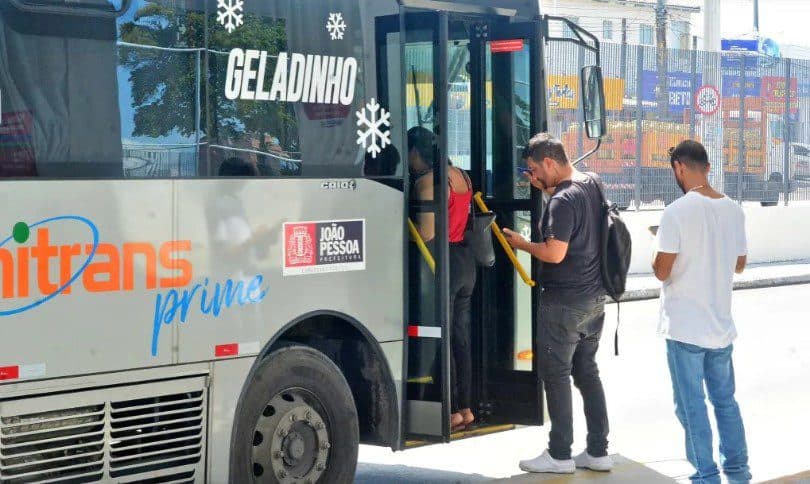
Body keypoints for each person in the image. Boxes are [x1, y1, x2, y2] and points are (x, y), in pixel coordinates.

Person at [503, 133, 612, 474]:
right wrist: (546, 189)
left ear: (549, 162)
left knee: (557, 374)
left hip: (564, 301)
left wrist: (522, 243)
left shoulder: (562, 201)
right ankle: (597, 450)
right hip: (595, 299)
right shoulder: (591, 183)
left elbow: (555, 252)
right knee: (587, 372)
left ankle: (559, 454)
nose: (532, 177)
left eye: (534, 169)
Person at [653, 140, 751, 484]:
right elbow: (739, 264)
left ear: (679, 167)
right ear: (707, 167)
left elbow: (662, 270)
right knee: (725, 402)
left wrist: (660, 246)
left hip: (684, 329)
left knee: (691, 407)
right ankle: (738, 474)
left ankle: (706, 477)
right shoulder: (734, 209)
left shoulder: (676, 212)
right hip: (720, 327)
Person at [407, 126, 476, 430]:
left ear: (414, 152)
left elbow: (426, 232)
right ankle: (466, 408)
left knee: (441, 336)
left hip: (441, 264)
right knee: (460, 336)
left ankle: (448, 410)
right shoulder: (460, 175)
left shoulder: (427, 182)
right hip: (465, 261)